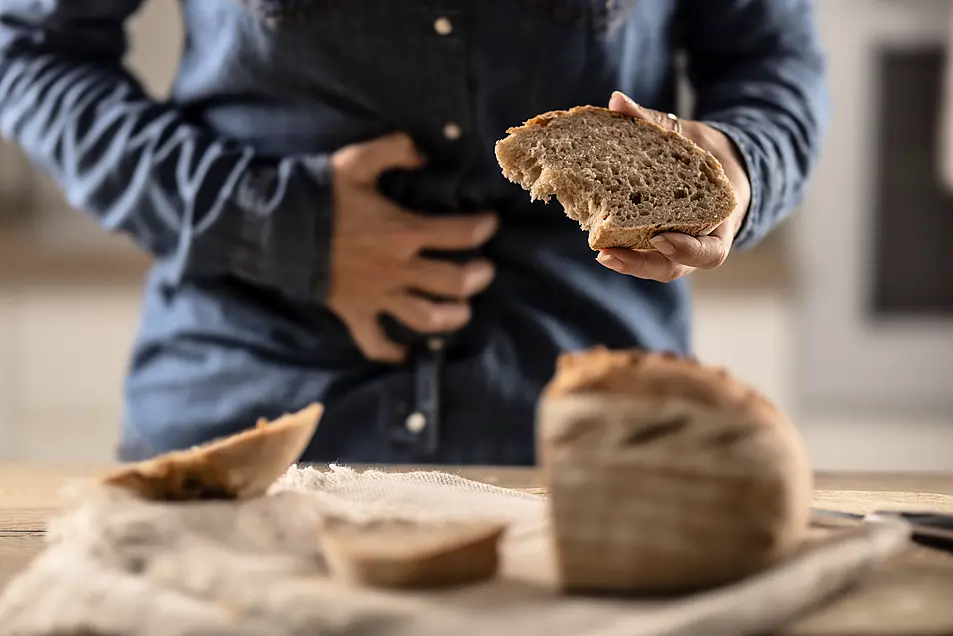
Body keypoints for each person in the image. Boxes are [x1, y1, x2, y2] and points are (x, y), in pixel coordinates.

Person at [0, 1, 828, 465]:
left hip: (588, 448)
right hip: (242, 430)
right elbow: (31, 51)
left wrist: (734, 168)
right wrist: (275, 223)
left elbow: (772, 62)